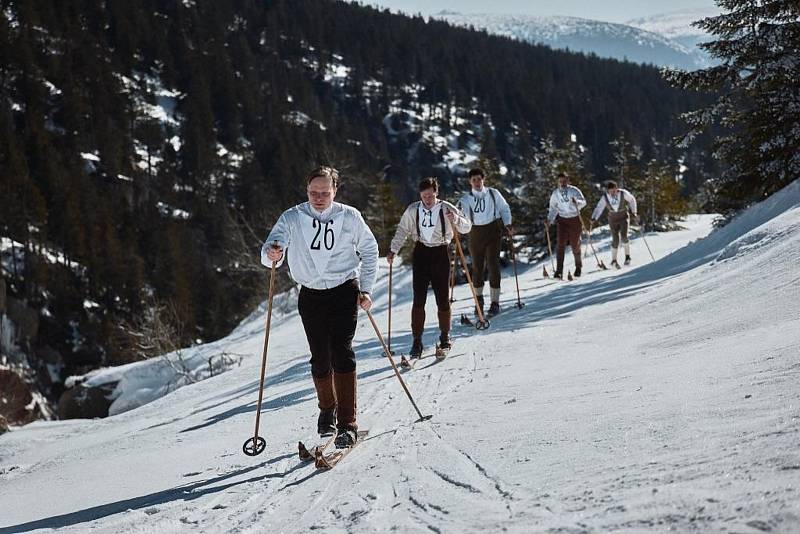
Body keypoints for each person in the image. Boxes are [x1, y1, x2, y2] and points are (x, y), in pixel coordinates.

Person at [261, 166, 378, 449]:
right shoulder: (292, 217)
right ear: (307, 191)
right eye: (314, 192)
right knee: (319, 357)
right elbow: (270, 252)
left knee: (341, 352)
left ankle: (347, 424)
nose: (319, 197)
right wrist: (272, 253)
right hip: (310, 295)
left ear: (335, 190)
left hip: (344, 290)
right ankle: (327, 410)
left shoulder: (350, 216)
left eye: (325, 192)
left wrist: (366, 289)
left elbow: (370, 249)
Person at [388, 177, 471, 359]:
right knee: (419, 299)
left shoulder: (445, 207)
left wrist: (455, 219)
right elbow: (402, 230)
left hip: (440, 252)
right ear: (420, 195)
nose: (427, 199)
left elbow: (467, 227)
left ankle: (445, 336)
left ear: (436, 193)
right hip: (421, 253)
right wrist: (393, 249)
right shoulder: (413, 210)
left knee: (442, 297)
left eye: (430, 196)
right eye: (424, 196)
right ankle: (417, 341)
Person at [457, 167, 513, 317]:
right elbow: (460, 216)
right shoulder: (465, 199)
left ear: (483, 179)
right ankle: (479, 301)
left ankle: (495, 303)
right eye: (473, 180)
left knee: (493, 265)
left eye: (479, 179)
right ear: (470, 181)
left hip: (493, 230)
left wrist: (508, 224)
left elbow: (504, 208)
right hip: (475, 233)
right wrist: (455, 224)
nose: (476, 182)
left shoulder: (493, 193)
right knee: (477, 267)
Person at [546, 172, 587, 279]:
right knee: (560, 245)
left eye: (564, 181)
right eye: (560, 181)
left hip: (574, 219)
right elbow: (553, 208)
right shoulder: (555, 193)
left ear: (568, 180)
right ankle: (559, 271)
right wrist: (549, 220)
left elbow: (583, 202)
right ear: (558, 182)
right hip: (562, 220)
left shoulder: (574, 190)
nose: (562, 183)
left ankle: (578, 267)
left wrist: (576, 202)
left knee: (575, 244)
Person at [590, 180, 639, 268]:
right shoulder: (605, 197)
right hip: (612, 219)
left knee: (624, 236)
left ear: (617, 189)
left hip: (623, 217)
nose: (612, 193)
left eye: (614, 191)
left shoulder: (623, 193)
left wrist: (634, 211)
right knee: (615, 239)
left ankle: (627, 257)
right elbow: (599, 208)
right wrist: (594, 217)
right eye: (610, 191)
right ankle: (614, 260)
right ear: (607, 191)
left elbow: (632, 200)